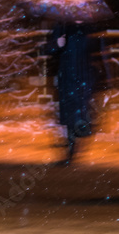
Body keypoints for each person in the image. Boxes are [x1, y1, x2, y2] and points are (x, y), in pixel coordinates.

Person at [45, 21, 105, 164]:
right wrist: (57, 44)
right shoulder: (62, 26)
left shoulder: (91, 29)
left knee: (81, 114)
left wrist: (102, 78)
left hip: (86, 78)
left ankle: (74, 148)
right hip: (67, 77)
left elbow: (99, 53)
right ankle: (70, 153)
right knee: (68, 116)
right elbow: (47, 49)